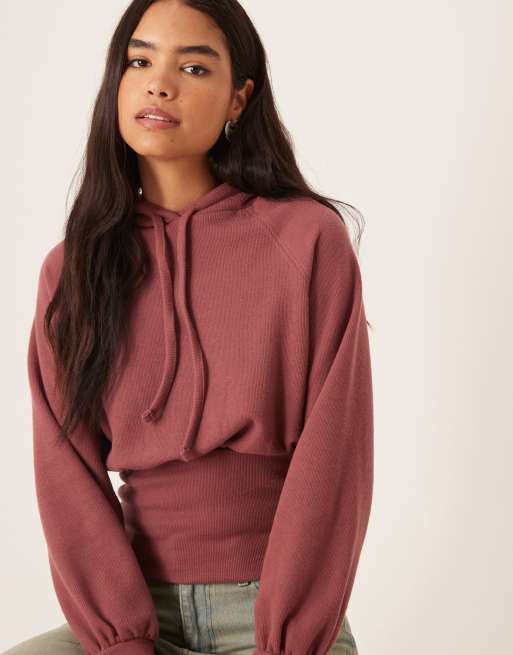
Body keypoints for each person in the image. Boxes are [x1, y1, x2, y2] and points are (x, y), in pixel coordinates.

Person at [3, 1, 374, 654]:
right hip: (136, 615)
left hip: (273, 615)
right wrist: (122, 638)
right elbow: (66, 471)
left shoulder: (306, 240)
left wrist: (288, 636)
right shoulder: (73, 269)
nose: (159, 84)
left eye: (194, 67)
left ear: (239, 99)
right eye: (139, 61)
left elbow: (335, 455)